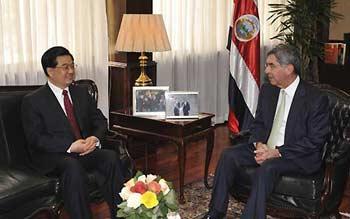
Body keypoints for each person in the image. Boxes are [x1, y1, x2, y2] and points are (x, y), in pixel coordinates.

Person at [205, 44, 330, 219]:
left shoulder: (315, 98)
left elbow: (314, 141)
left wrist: (276, 153)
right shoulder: (268, 90)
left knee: (268, 167)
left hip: (296, 154)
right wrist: (259, 144)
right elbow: (259, 124)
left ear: (289, 69)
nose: (266, 70)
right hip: (267, 147)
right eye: (266, 65)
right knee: (228, 155)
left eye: (271, 65)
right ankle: (215, 213)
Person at [21, 46, 124, 219]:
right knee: (72, 165)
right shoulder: (33, 101)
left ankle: (122, 214)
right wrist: (70, 146)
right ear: (50, 71)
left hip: (84, 150)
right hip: (54, 156)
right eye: (65, 67)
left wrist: (95, 138)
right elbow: (36, 138)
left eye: (72, 65)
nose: (71, 71)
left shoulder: (81, 93)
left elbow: (100, 120)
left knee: (110, 157)